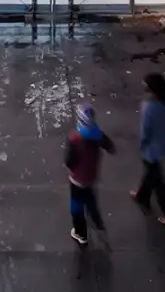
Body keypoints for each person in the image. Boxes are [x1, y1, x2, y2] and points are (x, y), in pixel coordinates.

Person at [132, 73, 165, 229]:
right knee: (152, 173)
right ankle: (142, 195)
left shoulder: (148, 108)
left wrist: (141, 145)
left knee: (159, 184)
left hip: (151, 150)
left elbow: (145, 132)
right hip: (163, 147)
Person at [65, 102, 116, 246]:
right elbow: (111, 147)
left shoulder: (74, 138)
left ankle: (81, 233)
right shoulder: (98, 135)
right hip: (91, 176)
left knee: (76, 206)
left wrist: (70, 168)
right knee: (90, 199)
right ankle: (97, 223)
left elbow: (69, 161)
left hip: (77, 180)